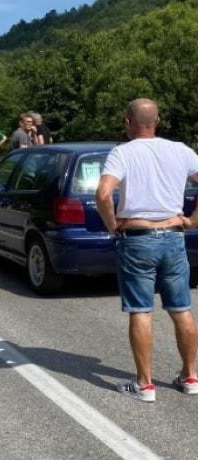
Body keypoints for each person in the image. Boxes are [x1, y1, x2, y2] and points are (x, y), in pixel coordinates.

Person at [96, 98, 198, 403]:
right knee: (181, 308)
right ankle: (191, 376)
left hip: (137, 237)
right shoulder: (180, 150)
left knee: (141, 310)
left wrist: (112, 225)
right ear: (157, 121)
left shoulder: (122, 153)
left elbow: (103, 194)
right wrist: (192, 220)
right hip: (173, 236)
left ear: (128, 121)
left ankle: (145, 384)